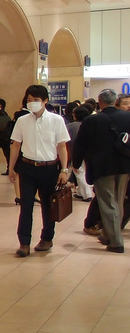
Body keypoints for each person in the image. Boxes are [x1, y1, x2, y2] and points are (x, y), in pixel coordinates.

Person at [8, 84, 70, 256]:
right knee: (26, 205)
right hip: (27, 168)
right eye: (29, 100)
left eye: (36, 100)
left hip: (49, 169)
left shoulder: (56, 120)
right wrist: (11, 168)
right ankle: (24, 243)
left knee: (48, 206)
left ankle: (47, 238)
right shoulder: (22, 121)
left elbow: (62, 146)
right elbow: (15, 146)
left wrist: (64, 169)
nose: (32, 103)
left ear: (45, 101)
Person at [72, 88, 130, 253]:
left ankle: (116, 242)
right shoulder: (128, 117)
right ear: (115, 101)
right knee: (118, 202)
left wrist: (75, 163)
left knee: (107, 203)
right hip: (125, 166)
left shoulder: (92, 121)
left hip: (103, 167)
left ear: (100, 102)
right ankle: (108, 234)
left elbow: (80, 144)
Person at [68, 106, 93, 201]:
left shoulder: (71, 126)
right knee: (82, 172)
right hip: (89, 152)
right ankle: (80, 192)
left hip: (76, 152)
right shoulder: (90, 124)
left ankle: (87, 194)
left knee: (79, 172)